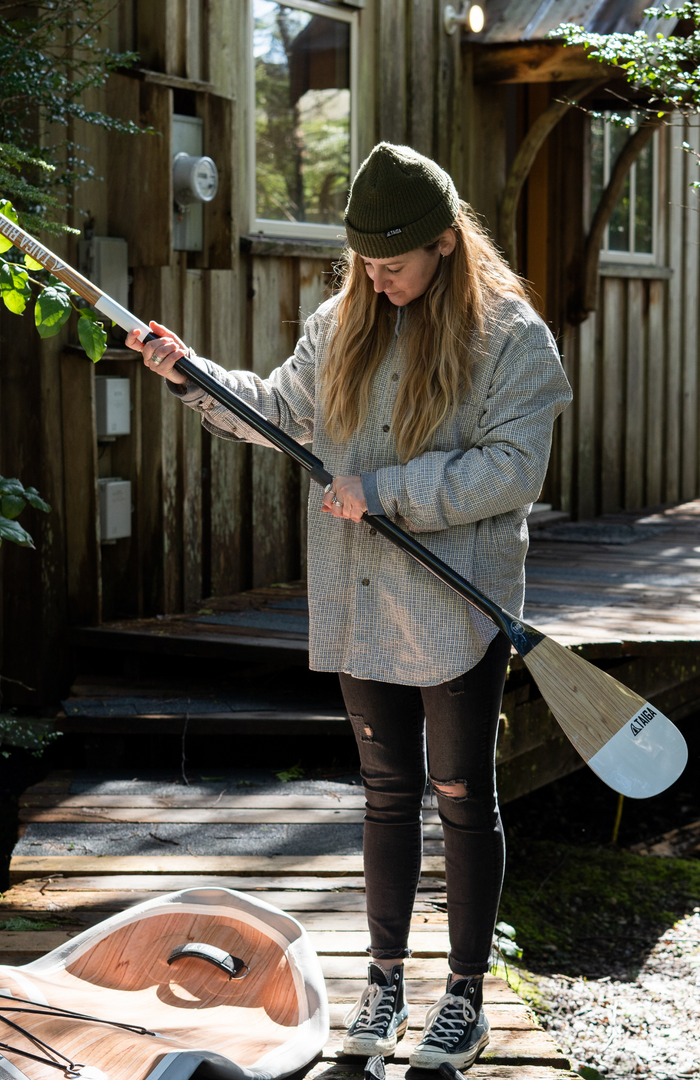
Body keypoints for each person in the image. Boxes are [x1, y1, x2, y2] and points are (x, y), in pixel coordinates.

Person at [129, 143, 572, 1071]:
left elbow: (513, 470)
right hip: (362, 596)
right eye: (366, 264)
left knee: (460, 795)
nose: (378, 279)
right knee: (384, 796)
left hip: (458, 607)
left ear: (447, 244)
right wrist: (188, 373)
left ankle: (464, 996)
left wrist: (389, 489)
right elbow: (277, 411)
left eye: (396, 264)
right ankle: (382, 979)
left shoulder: (513, 339)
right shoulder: (340, 323)